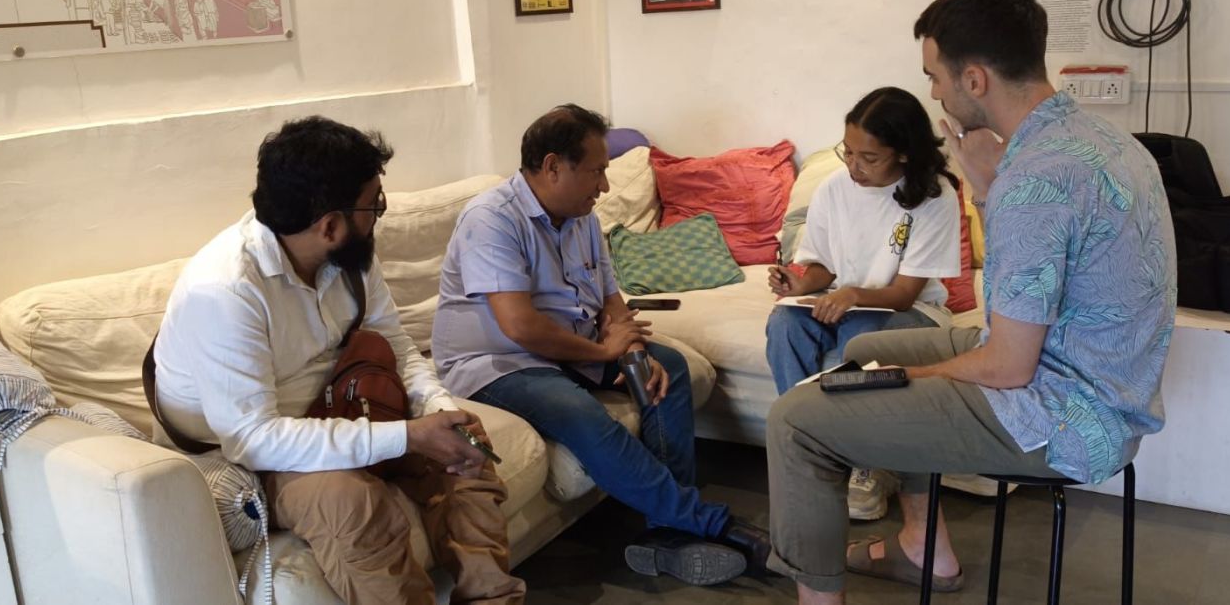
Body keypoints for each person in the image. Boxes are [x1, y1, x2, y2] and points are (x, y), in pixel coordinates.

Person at [764, 0, 1177, 603]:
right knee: (863, 355)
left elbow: (1007, 367)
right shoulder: (1106, 142)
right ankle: (921, 543)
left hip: (1065, 416)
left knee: (796, 421)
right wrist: (985, 188)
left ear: (974, 80)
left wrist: (908, 381)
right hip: (1094, 385)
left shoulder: (1037, 178)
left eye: (935, 77)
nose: (934, 91)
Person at [152, 116, 525, 605]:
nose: (378, 215)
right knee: (351, 503)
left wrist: (438, 410)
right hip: (249, 453)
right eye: (374, 204)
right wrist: (408, 436)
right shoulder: (225, 290)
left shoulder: (348, 256)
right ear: (329, 225)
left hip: (342, 407)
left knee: (466, 455)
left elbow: (395, 345)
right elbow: (252, 438)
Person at [432, 104, 771, 587]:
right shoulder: (491, 219)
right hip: (500, 362)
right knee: (580, 412)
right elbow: (520, 327)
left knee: (667, 369)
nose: (605, 186)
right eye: (596, 171)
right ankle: (711, 523)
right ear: (553, 166)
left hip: (569, 347)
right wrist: (605, 353)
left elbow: (610, 298)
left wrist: (631, 350)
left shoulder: (583, 217)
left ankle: (669, 533)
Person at [764, 87, 964, 521]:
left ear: (904, 153)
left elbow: (905, 293)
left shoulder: (935, 196)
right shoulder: (835, 188)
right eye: (848, 152)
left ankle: (864, 459)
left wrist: (852, 295)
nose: (854, 166)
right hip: (844, 302)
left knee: (860, 338)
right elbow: (823, 268)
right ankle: (806, 437)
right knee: (784, 323)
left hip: (912, 312)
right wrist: (798, 285)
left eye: (868, 158)